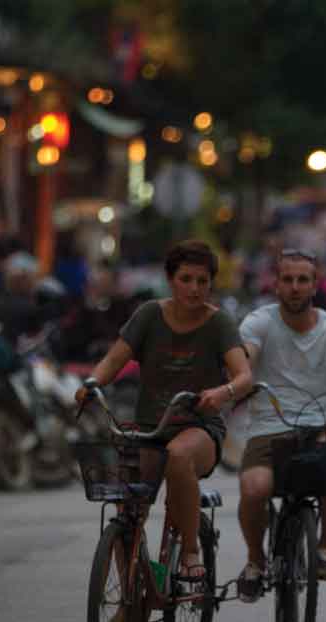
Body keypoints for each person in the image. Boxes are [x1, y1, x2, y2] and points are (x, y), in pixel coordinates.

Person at [76, 240, 252, 602]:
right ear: (171, 281)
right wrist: (92, 384)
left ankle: (189, 549)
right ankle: (129, 604)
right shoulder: (147, 316)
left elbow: (244, 376)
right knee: (128, 513)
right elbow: (113, 361)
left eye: (202, 281)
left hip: (199, 429)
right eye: (186, 279)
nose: (194, 288)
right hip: (148, 430)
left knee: (178, 454)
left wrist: (223, 392)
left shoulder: (219, 323)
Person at [234, 248, 326, 598]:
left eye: (303, 280)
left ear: (315, 285)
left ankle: (325, 549)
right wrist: (239, 376)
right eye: (287, 280)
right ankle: (255, 560)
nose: (295, 287)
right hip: (267, 429)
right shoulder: (258, 323)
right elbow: (245, 358)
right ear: (275, 284)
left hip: (317, 425)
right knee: (254, 489)